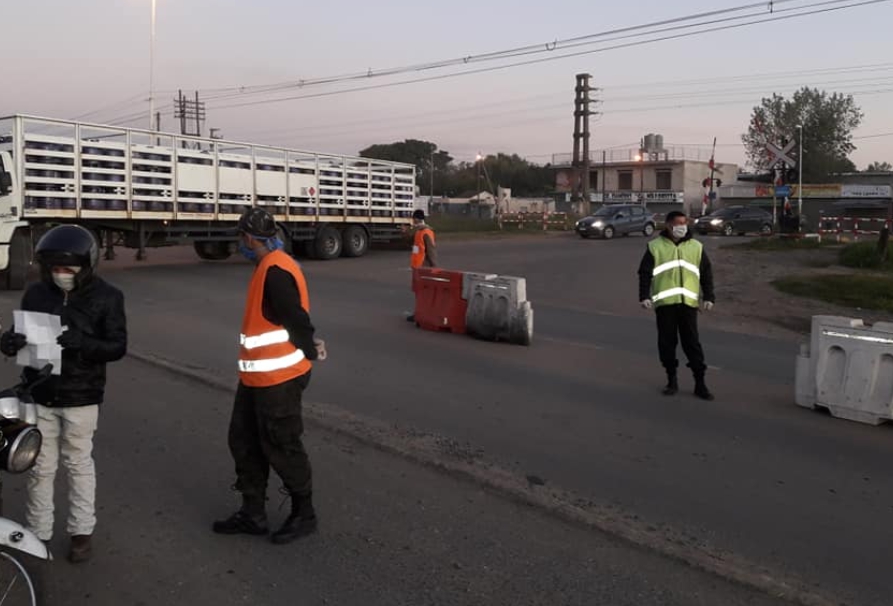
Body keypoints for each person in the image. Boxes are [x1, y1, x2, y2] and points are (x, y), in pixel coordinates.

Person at [0, 225, 127, 563]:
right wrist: (10, 341)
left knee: (78, 464)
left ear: (86, 266)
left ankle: (81, 532)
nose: (61, 275)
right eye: (54, 269)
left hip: (82, 397)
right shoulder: (37, 294)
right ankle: (37, 533)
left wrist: (85, 344)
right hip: (40, 394)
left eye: (68, 269)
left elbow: (117, 346)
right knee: (40, 467)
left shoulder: (107, 297)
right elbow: (21, 332)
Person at [213, 207, 325, 545]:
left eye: (240, 238)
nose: (240, 244)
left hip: (279, 379)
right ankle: (253, 513)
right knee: (244, 440)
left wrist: (308, 350)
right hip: (257, 379)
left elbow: (296, 318)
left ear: (248, 238)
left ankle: (304, 514)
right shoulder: (270, 264)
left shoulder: (276, 271)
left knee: (282, 444)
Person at [638, 211, 716, 401]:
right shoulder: (655, 246)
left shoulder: (696, 247)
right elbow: (645, 273)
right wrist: (644, 296)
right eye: (678, 223)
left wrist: (709, 297)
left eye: (685, 223)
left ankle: (700, 383)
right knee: (667, 343)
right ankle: (671, 380)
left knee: (692, 344)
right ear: (668, 225)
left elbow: (706, 273)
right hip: (665, 305)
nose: (682, 226)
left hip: (688, 304)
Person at [406, 209, 437, 323]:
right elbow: (410, 239)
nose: (412, 220)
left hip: (423, 266)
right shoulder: (418, 231)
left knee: (422, 292)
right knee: (418, 291)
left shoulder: (426, 232)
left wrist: (434, 267)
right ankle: (418, 312)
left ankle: (422, 313)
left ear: (417, 219)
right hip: (416, 266)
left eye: (414, 218)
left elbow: (431, 251)